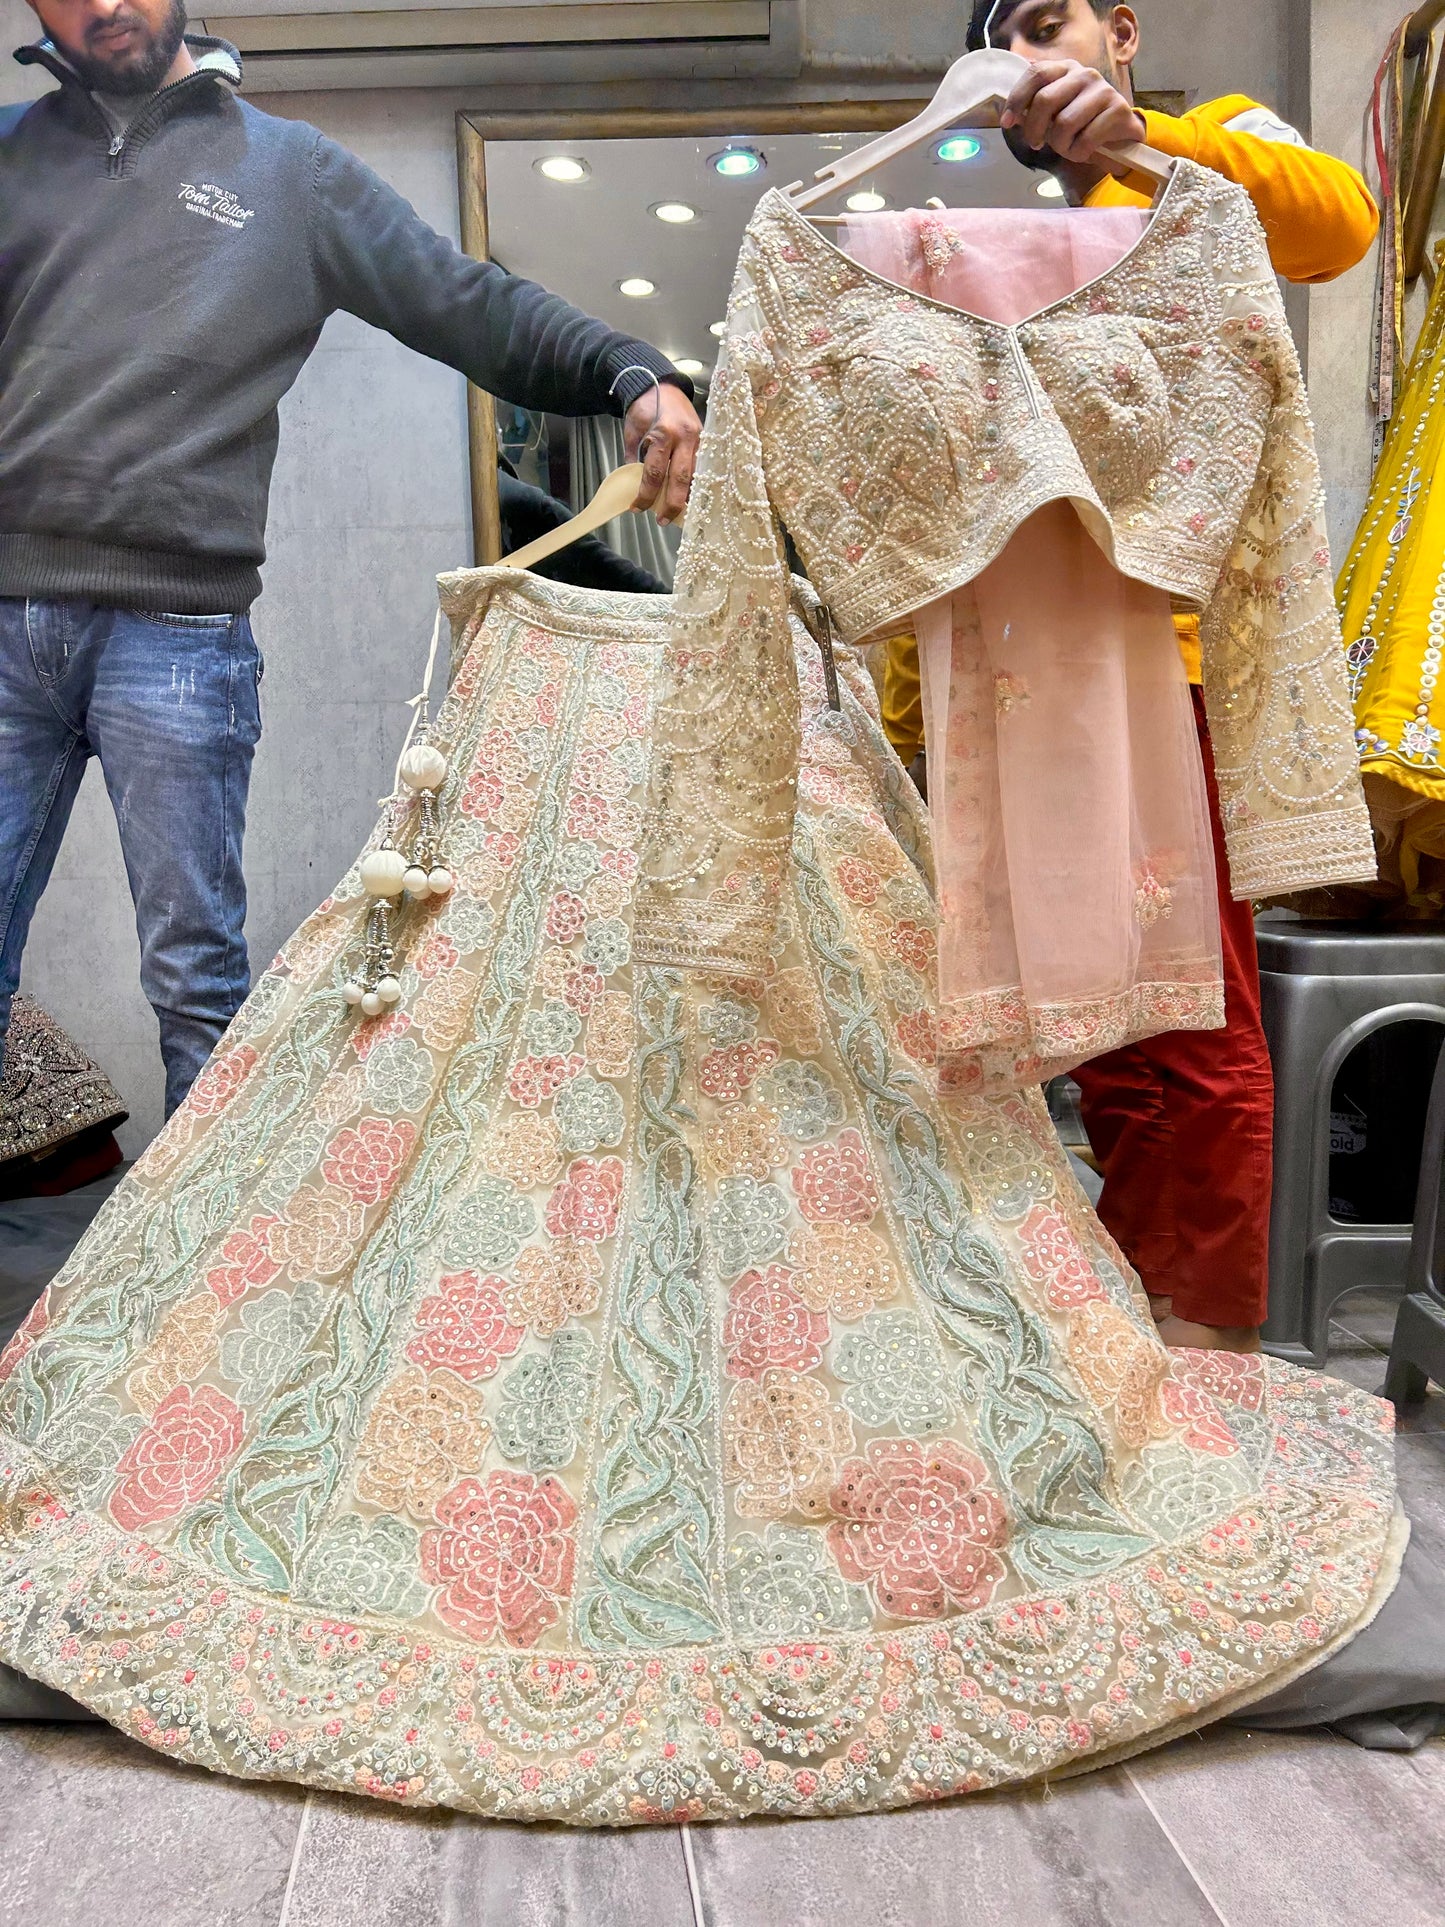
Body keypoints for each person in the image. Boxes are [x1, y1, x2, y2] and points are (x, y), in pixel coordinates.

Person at [0, 0, 700, 1118]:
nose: (103, 5)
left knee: (196, 985)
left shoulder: (290, 173)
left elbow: (470, 304)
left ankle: (203, 1284)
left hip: (175, 635)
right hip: (3, 620)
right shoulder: (10, 153)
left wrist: (627, 368)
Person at [882, 0, 1379, 1355]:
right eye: (1010, 39)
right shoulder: (988, 239)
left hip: (1172, 669)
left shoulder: (1209, 145)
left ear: (1123, 29)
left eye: (1056, 21)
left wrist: (1146, 142)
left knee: (1187, 1012)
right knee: (1091, 1025)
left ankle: (1200, 1355)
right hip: (1027, 681)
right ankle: (1134, 1337)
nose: (1039, 55)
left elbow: (1339, 224)